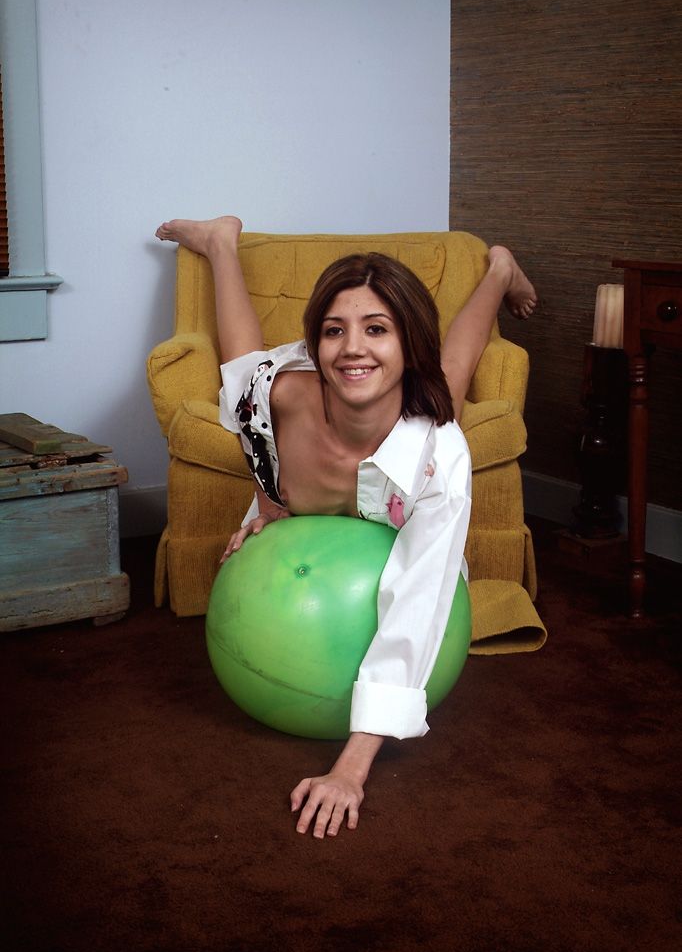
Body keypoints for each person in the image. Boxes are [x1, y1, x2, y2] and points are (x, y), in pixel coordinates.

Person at [155, 216, 536, 840]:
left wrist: (350, 769)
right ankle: (223, 241)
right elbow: (245, 400)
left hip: (403, 495)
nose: (352, 347)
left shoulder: (438, 455)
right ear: (317, 343)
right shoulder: (277, 393)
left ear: (407, 344)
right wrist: (269, 501)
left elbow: (419, 604)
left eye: (376, 329)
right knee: (243, 370)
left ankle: (499, 269)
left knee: (451, 380)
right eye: (334, 331)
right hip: (298, 510)